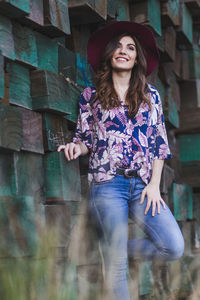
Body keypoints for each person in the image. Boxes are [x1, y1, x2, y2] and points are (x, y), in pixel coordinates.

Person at [57, 21, 184, 300]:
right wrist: (75, 148)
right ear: (109, 54)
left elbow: (159, 144)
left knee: (173, 247)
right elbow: (85, 139)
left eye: (130, 47)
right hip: (107, 185)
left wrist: (154, 185)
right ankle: (113, 250)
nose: (123, 51)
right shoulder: (90, 97)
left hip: (142, 187)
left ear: (137, 57)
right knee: (116, 268)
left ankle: (114, 246)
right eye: (117, 46)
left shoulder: (151, 96)